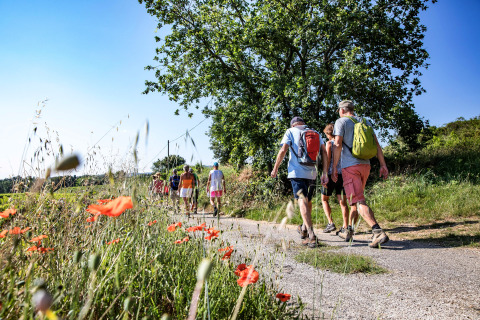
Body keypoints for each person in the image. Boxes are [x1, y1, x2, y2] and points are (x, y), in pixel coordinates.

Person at [332, 100, 389, 248]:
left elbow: (337, 144)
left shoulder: (341, 121)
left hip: (350, 167)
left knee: (358, 201)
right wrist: (383, 165)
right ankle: (349, 230)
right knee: (355, 201)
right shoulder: (366, 121)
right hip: (366, 165)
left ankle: (377, 231)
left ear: (342, 110)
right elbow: (377, 145)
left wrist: (333, 168)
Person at [271, 116, 328, 248]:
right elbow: (324, 152)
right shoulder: (315, 133)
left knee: (302, 201)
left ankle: (311, 235)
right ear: (303, 123)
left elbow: (283, 150)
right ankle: (303, 228)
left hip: (296, 173)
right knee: (307, 202)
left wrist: (275, 168)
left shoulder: (290, 132)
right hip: (312, 173)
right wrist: (324, 173)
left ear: (292, 125)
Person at [321, 123, 354, 238]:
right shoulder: (343, 144)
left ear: (328, 134)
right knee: (343, 202)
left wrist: (324, 173)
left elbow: (328, 160)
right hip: (343, 175)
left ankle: (330, 222)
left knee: (324, 199)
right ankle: (345, 226)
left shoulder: (329, 143)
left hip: (331, 174)